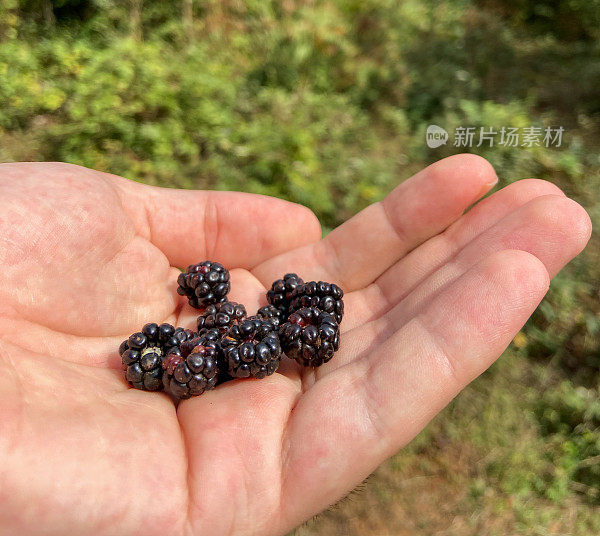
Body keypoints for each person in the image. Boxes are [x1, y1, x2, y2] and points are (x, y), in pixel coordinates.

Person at [0, 155, 591, 536]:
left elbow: (247, 333)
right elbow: (194, 345)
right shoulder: (213, 337)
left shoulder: (258, 326)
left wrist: (242, 335)